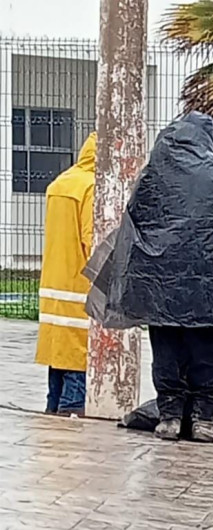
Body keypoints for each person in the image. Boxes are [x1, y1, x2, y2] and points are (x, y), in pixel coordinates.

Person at [83, 113, 213, 443]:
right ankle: (204, 418)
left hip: (161, 289)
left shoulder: (153, 176)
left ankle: (170, 417)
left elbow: (134, 226)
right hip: (211, 289)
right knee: (208, 353)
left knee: (167, 350)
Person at [35, 132, 97, 416]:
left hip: (54, 284)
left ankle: (53, 409)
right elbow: (92, 239)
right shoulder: (92, 187)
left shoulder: (60, 183)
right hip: (79, 286)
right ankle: (71, 413)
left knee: (59, 355)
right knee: (77, 358)